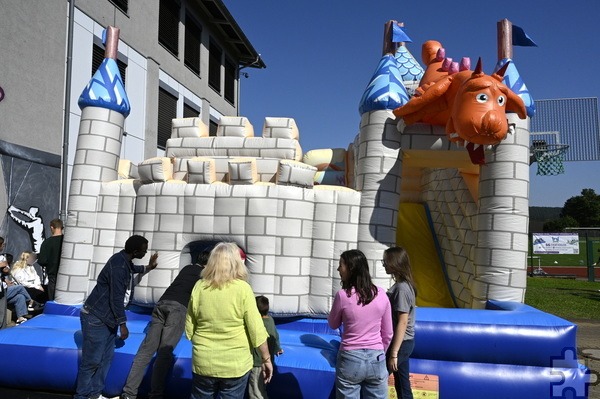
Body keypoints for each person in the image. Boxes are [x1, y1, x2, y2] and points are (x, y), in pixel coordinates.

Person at [74, 235, 159, 399]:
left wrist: (148, 267)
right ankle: (82, 395)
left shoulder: (124, 260)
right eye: (144, 250)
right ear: (135, 251)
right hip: (96, 316)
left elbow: (132, 269)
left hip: (107, 318)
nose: (145, 252)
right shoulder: (119, 266)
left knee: (106, 359)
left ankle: (94, 394)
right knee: (92, 361)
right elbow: (115, 298)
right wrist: (123, 324)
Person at [185, 242, 273, 399]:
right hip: (235, 364)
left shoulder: (200, 286)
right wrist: (266, 359)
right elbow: (256, 329)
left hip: (204, 361)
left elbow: (190, 325)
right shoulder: (242, 288)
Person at [121, 250, 211, 399]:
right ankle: (156, 394)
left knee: (146, 351)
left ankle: (129, 393)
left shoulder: (187, 268)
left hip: (161, 304)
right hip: (178, 308)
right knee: (164, 353)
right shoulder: (204, 275)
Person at [328, 249, 393, 399]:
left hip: (350, 357)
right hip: (376, 357)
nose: (339, 269)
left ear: (351, 268)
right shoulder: (381, 294)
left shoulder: (343, 295)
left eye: (341, 266)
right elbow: (388, 333)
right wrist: (379, 352)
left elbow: (333, 324)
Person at [383, 246, 417, 399]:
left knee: (378, 377)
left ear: (395, 263)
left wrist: (394, 353)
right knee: (403, 386)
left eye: (386, 261)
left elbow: (402, 322)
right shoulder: (403, 285)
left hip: (401, 343)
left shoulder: (402, 289)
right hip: (404, 342)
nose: (384, 264)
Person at [248, 295, 283, 399]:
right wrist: (277, 348)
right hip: (268, 361)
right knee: (261, 388)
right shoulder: (270, 320)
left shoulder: (257, 323)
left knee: (256, 392)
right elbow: (275, 335)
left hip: (258, 363)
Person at [1, 254, 36, 324]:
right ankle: (30, 300)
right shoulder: (4, 268)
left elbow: (5, 279)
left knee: (20, 297)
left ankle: (20, 317)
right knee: (19, 288)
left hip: (5, 291)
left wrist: (8, 282)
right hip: (2, 292)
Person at [38, 218, 64, 301]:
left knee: (53, 299)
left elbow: (42, 261)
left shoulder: (46, 243)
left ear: (52, 227)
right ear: (62, 228)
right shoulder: (66, 242)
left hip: (53, 275)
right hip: (66, 274)